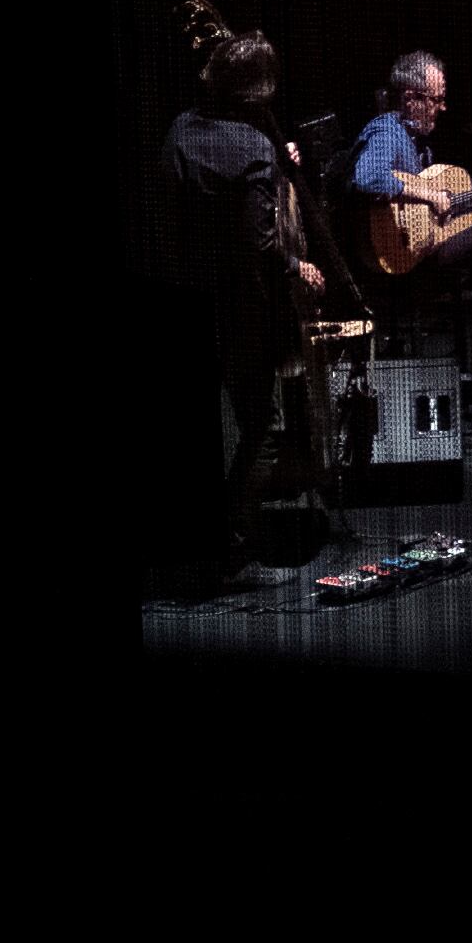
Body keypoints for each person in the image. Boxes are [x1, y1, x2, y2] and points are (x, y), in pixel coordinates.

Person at [155, 32, 341, 579]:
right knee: (261, 424)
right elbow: (259, 243)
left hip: (182, 293)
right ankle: (233, 534)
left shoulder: (179, 131)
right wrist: (296, 265)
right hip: (241, 305)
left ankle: (190, 534)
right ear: (257, 94)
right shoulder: (255, 149)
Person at [347, 49, 472, 290]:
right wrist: (431, 196)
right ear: (411, 98)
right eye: (436, 99)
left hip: (420, 248)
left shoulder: (418, 140)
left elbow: (432, 210)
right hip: (395, 255)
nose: (442, 108)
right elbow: (368, 178)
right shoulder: (387, 132)